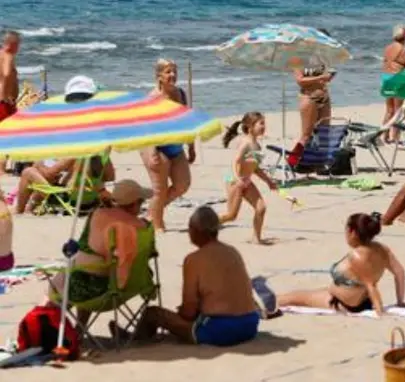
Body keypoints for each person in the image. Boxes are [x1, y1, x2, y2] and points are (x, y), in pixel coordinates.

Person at [131, 206, 260, 346]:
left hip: (222, 329)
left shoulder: (193, 259)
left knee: (153, 314)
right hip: (250, 324)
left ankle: (134, 341)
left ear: (196, 231)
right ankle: (137, 337)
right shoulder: (232, 251)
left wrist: (181, 314)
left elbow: (189, 310)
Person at [252, 212, 405, 316]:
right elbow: (399, 273)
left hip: (344, 304)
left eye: (346, 229)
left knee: (291, 298)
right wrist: (400, 301)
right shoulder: (382, 249)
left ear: (352, 232)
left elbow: (370, 285)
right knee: (296, 295)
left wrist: (380, 313)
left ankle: (250, 308)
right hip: (356, 299)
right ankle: (256, 302)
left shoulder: (358, 255)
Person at [47, 180, 152, 310]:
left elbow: (86, 247)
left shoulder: (98, 214)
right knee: (80, 272)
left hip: (98, 289)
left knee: (63, 280)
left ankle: (52, 324)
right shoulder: (144, 227)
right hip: (129, 286)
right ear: (136, 203)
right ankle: (77, 327)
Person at [140, 59, 195, 232]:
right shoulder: (153, 98)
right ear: (159, 76)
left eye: (174, 72)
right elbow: (146, 127)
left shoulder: (181, 94)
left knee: (182, 185)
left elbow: (187, 120)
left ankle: (152, 212)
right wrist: (152, 152)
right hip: (155, 146)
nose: (172, 75)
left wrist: (191, 145)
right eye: (168, 72)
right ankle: (157, 225)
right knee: (160, 189)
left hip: (176, 145)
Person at [220, 112, 280, 245]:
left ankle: (256, 238)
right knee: (231, 216)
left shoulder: (257, 145)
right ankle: (205, 226)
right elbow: (236, 161)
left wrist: (269, 181)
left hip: (246, 180)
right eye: (261, 123)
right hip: (234, 181)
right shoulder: (246, 143)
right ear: (250, 126)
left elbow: (256, 168)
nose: (264, 126)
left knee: (261, 208)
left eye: (264, 123)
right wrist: (237, 179)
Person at [14, 155, 115, 214]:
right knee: (54, 181)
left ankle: (19, 209)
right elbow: (110, 177)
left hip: (70, 202)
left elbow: (50, 173)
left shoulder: (75, 153)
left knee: (28, 172)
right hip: (91, 202)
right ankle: (30, 207)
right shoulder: (103, 156)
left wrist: (38, 166)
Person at [289, 64, 334, 167]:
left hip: (324, 96)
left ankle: (322, 163)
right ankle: (292, 162)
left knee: (324, 131)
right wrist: (321, 77)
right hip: (309, 97)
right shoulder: (298, 60)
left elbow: (325, 76)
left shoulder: (319, 57)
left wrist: (328, 76)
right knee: (306, 135)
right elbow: (300, 81)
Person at [381, 24, 405, 144]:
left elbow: (385, 63)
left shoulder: (387, 48)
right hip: (398, 79)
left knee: (389, 110)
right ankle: (395, 138)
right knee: (398, 111)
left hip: (386, 78)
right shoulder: (404, 50)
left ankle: (384, 135)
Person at [0, 31, 20, 123]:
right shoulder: (8, 55)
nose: (18, 48)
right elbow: (6, 74)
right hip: (5, 103)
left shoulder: (1, 54)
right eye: (18, 44)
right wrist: (5, 97)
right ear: (13, 44)